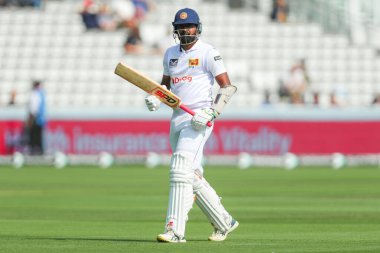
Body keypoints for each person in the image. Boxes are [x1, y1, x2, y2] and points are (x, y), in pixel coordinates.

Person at [144, 8, 238, 243]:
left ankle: (175, 230)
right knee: (190, 175)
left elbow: (227, 87)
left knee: (179, 169)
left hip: (199, 119)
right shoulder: (170, 54)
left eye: (190, 26)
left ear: (198, 27)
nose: (185, 30)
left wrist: (211, 112)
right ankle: (224, 221)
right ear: (175, 29)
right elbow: (165, 87)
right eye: (181, 26)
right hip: (177, 119)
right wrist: (156, 96)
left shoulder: (208, 52)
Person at [27, 80, 46, 155]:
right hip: (40, 118)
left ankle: (34, 151)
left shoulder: (35, 94)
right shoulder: (41, 93)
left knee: (34, 135)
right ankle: (39, 151)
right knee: (38, 135)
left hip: (35, 118)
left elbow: (34, 108)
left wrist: (31, 118)